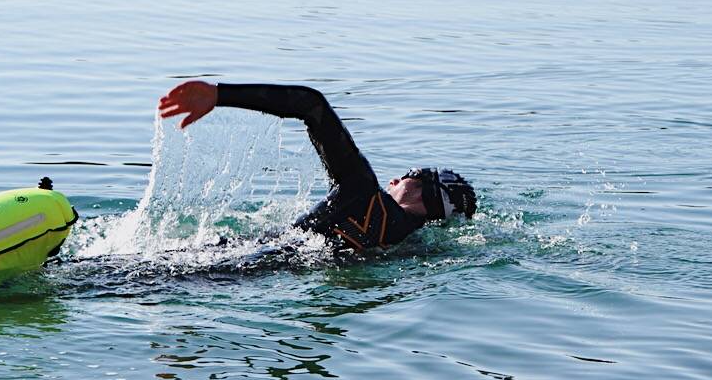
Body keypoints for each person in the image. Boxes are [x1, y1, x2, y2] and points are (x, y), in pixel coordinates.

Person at [158, 81, 476, 253]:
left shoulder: (362, 190)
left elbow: (312, 105)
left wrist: (219, 95)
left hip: (232, 260)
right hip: (264, 278)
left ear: (420, 189)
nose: (395, 178)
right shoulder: (412, 248)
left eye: (408, 175)